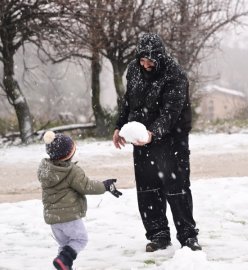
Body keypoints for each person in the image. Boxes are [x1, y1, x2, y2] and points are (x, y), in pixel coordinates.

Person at [113, 33, 201, 252]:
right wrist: (119, 126)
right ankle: (158, 234)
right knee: (148, 189)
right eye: (142, 60)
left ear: (160, 58)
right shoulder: (134, 69)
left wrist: (152, 133)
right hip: (141, 138)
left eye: (150, 61)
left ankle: (188, 236)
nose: (145, 65)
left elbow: (171, 113)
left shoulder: (175, 75)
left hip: (172, 138)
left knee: (176, 188)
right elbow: (128, 102)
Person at [38, 131, 122, 270]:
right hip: (69, 216)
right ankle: (64, 260)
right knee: (80, 239)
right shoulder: (72, 171)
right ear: (69, 154)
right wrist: (105, 186)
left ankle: (64, 265)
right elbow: (87, 186)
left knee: (65, 246)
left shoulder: (46, 170)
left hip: (53, 218)